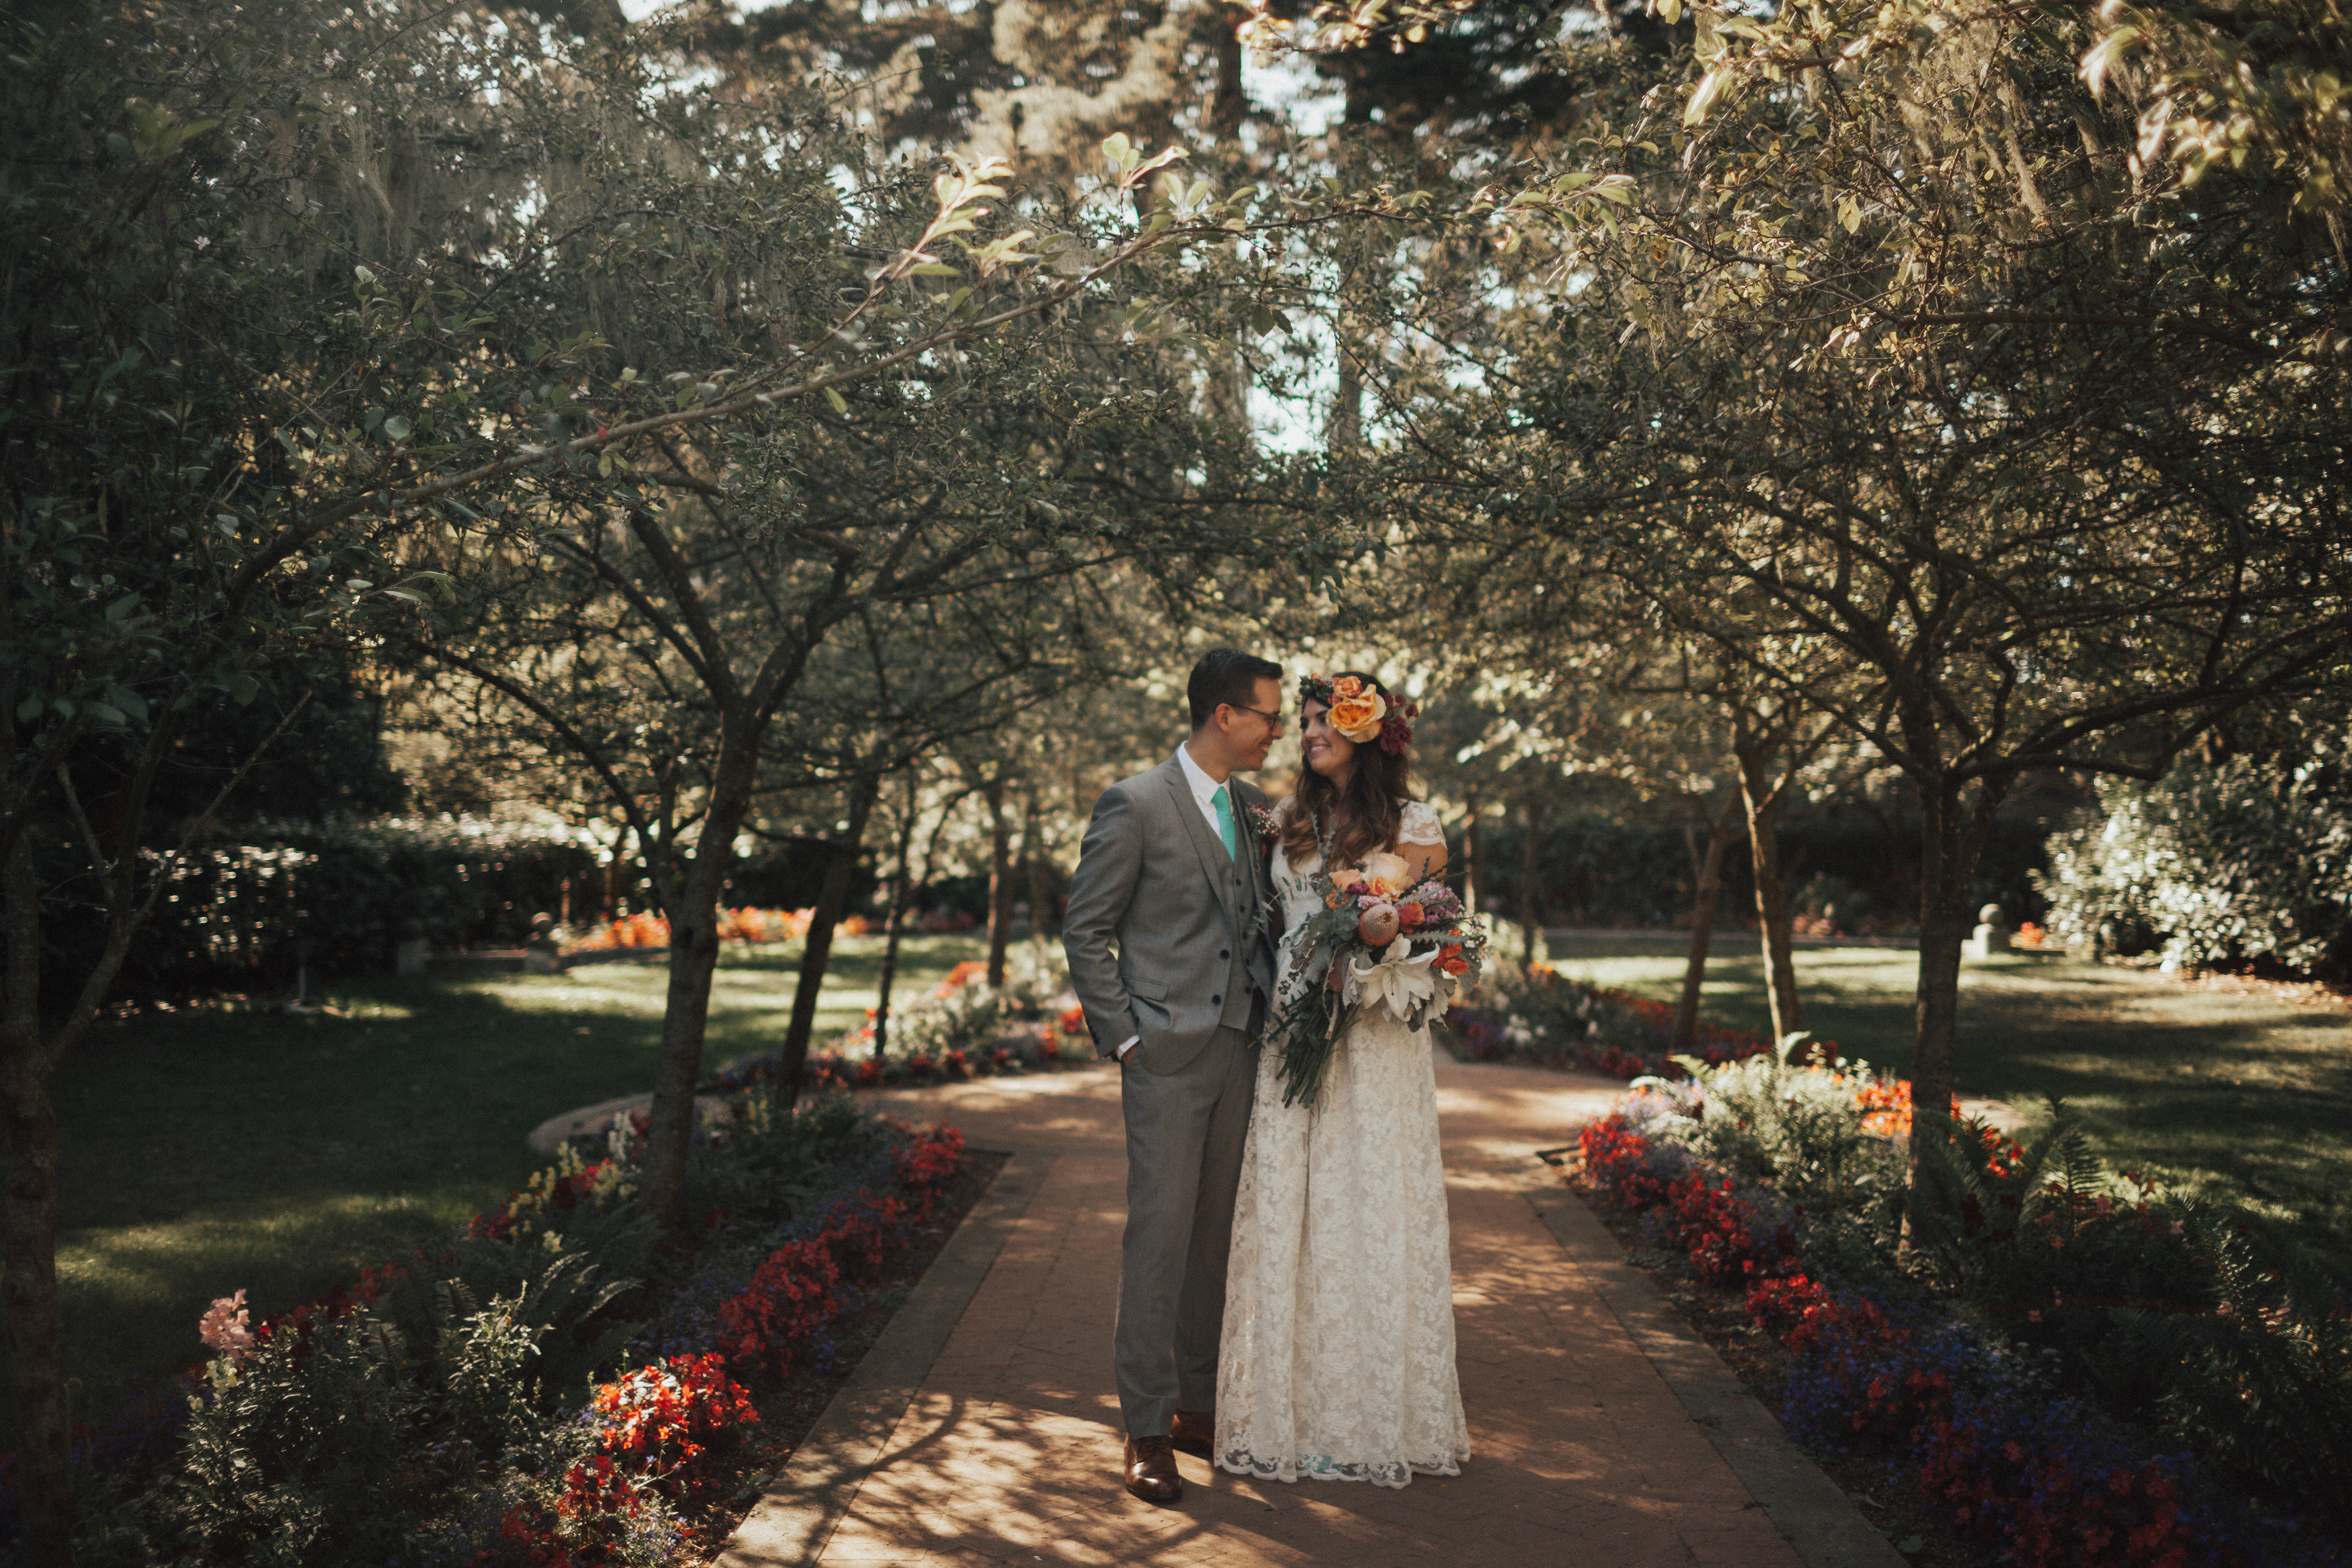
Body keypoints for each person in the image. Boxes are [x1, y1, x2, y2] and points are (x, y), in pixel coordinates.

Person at [1214, 671, 1471, 1488]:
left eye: (1330, 719)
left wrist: (1384, 949)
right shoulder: (1283, 821)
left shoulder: (1415, 824)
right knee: (1298, 1216)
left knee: (1368, 1211)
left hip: (1374, 1046)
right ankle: (1290, 1416)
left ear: (1373, 733)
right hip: (1295, 1037)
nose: (1312, 731)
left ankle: (1368, 1419)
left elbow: (1441, 927)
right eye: (1309, 720)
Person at [1062, 649, 1285, 1504]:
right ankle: (1146, 1427)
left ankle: (1198, 1408)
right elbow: (1087, 929)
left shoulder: (1258, 808)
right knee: (1158, 1236)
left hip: (1242, 1047)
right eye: (1267, 716)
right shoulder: (1135, 803)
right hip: (1164, 1054)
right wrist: (1125, 1040)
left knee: (1215, 1238)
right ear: (1224, 715)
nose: (1275, 731)